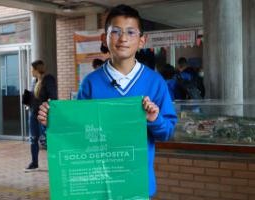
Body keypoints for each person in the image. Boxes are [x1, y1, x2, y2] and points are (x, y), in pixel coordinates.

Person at [38, 5, 177, 199]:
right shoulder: (91, 83)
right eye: (116, 32)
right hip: (97, 185)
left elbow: (167, 132)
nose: (123, 38)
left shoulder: (155, 83)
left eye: (130, 32)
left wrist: (154, 119)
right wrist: (52, 125)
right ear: (104, 38)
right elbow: (78, 135)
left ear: (142, 41)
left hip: (136, 185)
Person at [24, 60, 57, 172]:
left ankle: (55, 163)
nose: (31, 71)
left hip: (42, 115)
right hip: (33, 114)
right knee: (33, 139)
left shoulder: (48, 80)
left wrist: (45, 110)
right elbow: (35, 98)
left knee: (46, 141)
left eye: (32, 69)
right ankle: (34, 163)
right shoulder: (34, 81)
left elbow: (53, 97)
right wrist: (28, 100)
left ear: (37, 69)